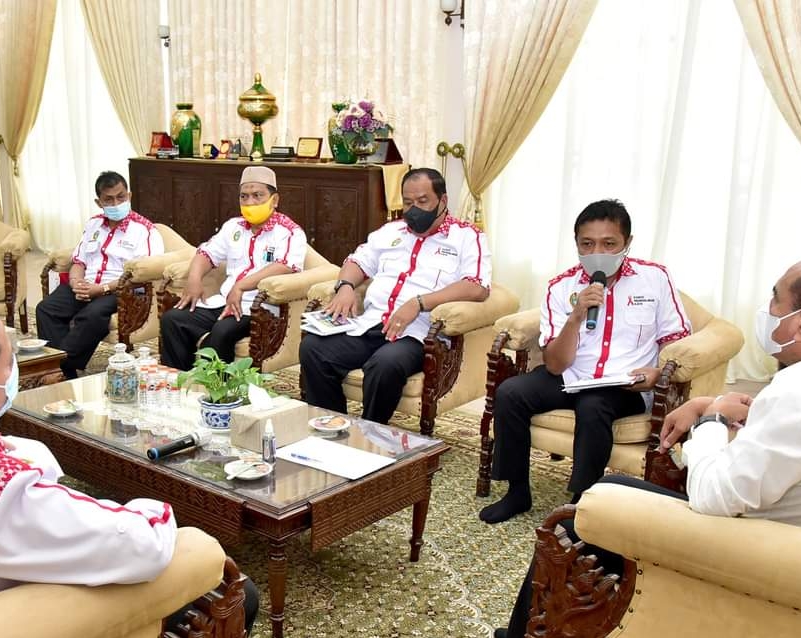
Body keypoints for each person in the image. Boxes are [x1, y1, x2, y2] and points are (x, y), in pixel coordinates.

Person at [467, 249, 801, 638]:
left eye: (777, 298)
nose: (768, 309)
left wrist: (711, 422)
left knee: (582, 514)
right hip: (796, 528)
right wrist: (715, 404)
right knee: (610, 491)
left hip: (747, 543)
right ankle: (539, 631)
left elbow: (714, 496)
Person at [0, 280, 257, 633]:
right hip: (31, 617)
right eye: (9, 362)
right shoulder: (3, 497)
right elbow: (143, 545)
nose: (13, 371)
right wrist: (147, 507)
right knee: (236, 589)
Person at [479, 199, 690, 524]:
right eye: (587, 244)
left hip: (625, 385)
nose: (597, 252)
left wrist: (658, 373)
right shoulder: (561, 286)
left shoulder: (655, 279)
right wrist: (576, 316)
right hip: (573, 375)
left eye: (609, 244)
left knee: (593, 406)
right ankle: (517, 491)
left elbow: (676, 340)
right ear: (576, 244)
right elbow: (555, 365)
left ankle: (581, 504)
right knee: (511, 392)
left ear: (627, 243)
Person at [299, 168, 492, 424]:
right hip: (372, 323)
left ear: (443, 201)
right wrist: (345, 286)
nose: (414, 210)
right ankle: (334, 426)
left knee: (384, 365)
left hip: (416, 334)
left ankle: (370, 431)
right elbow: (357, 262)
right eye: (408, 203)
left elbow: (477, 286)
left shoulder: (466, 237)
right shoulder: (390, 231)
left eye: (423, 201)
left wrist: (419, 303)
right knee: (313, 348)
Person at [159, 166, 307, 371]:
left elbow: (286, 266)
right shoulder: (233, 227)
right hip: (224, 301)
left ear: (274, 200)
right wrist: (194, 280)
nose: (250, 202)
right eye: (244, 196)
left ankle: (215, 387)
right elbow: (206, 254)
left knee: (222, 330)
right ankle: (178, 381)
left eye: (258, 196)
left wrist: (241, 286)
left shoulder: (289, 232)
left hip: (260, 308)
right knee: (173, 319)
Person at [36, 170, 164, 378]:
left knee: (92, 316)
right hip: (86, 283)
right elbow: (79, 261)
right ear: (99, 202)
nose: (116, 203)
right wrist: (76, 282)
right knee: (46, 309)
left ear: (129, 196)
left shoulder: (145, 230)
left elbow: (141, 274)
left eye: (120, 197)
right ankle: (62, 370)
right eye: (109, 199)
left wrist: (101, 289)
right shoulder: (93, 224)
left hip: (120, 289)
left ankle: (59, 368)